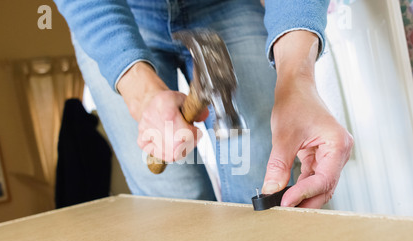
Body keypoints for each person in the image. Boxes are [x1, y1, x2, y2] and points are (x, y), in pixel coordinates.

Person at [54, 0, 353, 208]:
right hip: (113, 12)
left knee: (263, 182)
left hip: (226, 5)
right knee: (172, 202)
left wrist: (297, 79)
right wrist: (142, 94)